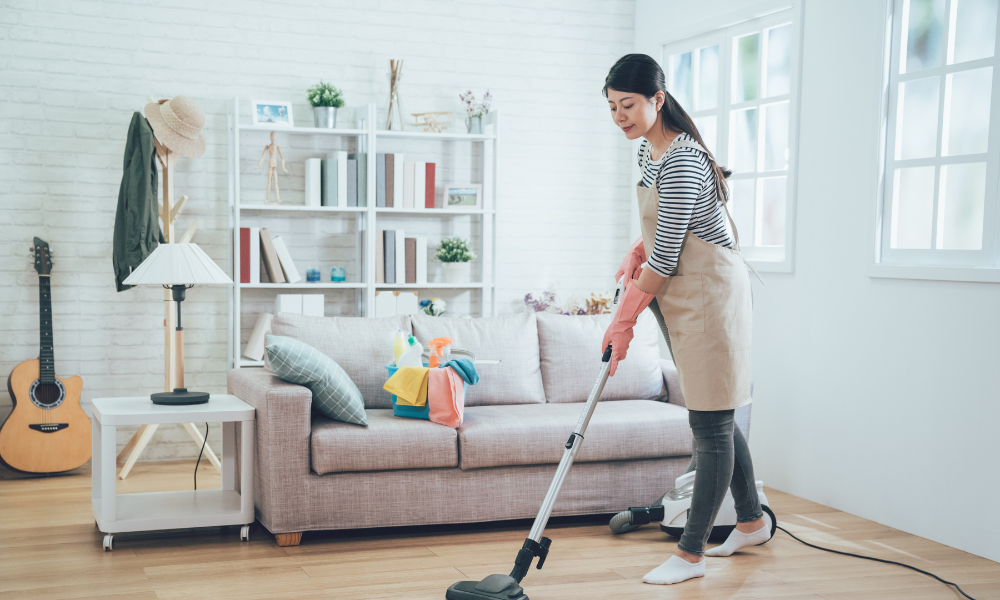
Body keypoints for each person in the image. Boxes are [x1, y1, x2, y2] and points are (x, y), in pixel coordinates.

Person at [601, 53, 771, 585]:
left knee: (710, 422)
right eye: (612, 107)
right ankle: (751, 521)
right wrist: (637, 248)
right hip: (679, 295)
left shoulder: (683, 159)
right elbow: (667, 225)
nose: (619, 117)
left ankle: (691, 554)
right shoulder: (648, 153)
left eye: (628, 105)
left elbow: (667, 256)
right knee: (711, 407)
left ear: (657, 99)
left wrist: (623, 321)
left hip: (709, 295)